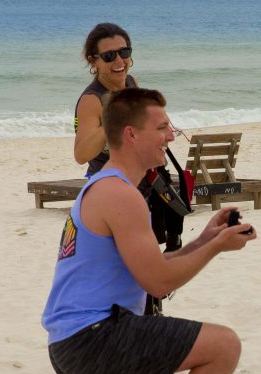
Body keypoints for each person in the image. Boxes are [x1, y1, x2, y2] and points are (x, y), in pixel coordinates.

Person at [43, 88, 256, 374]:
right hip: (96, 336)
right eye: (162, 128)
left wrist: (205, 239)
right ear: (131, 134)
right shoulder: (120, 194)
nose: (170, 136)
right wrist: (217, 248)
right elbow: (158, 283)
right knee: (224, 347)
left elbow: (151, 267)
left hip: (74, 339)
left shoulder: (104, 186)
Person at [74, 22, 186, 314]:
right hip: (109, 192)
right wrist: (110, 113)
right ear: (93, 60)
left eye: (124, 52)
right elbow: (82, 152)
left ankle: (149, 312)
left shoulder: (132, 83)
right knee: (120, 265)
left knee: (147, 258)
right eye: (109, 56)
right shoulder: (91, 100)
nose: (119, 61)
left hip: (143, 186)